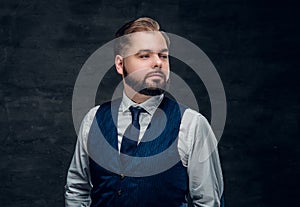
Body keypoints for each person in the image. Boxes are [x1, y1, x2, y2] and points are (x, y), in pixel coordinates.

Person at [65, 17, 224, 207]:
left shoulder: (192, 125)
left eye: (163, 56)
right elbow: (77, 189)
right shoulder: (94, 120)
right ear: (119, 64)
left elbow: (209, 203)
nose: (158, 63)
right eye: (144, 56)